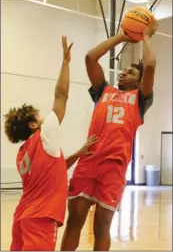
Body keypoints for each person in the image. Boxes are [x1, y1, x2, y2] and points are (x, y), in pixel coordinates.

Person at [61, 21, 157, 251]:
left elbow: (151, 66)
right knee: (75, 221)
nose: (124, 72)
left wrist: (146, 37)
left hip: (114, 167)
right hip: (89, 161)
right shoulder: (103, 91)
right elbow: (90, 58)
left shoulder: (140, 99)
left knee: (102, 226)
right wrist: (122, 37)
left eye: (131, 72)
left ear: (139, 81)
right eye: (124, 70)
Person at [4, 36, 98, 251]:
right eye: (37, 116)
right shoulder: (44, 134)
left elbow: (53, 170)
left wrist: (77, 154)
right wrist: (65, 63)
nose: (44, 117)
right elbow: (61, 96)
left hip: (23, 217)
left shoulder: (23, 153)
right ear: (31, 124)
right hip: (40, 216)